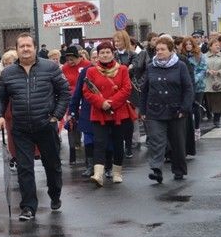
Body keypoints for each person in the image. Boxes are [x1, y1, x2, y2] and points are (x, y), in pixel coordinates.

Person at [0, 33, 70, 221]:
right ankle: (28, 206)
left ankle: (55, 194)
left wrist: (56, 116)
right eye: (22, 46)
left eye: (29, 46)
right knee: (24, 168)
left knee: (51, 165)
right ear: (16, 49)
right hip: (21, 128)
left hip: (46, 125)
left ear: (35, 48)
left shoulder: (50, 68)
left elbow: (64, 92)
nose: (25, 49)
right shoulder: (8, 73)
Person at [139, 35, 193, 183]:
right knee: (157, 141)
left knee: (177, 142)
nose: (159, 52)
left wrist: (185, 108)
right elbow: (144, 90)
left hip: (176, 111)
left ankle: (179, 170)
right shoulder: (151, 67)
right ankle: (156, 169)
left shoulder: (180, 66)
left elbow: (188, 88)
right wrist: (142, 111)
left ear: (171, 50)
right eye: (157, 49)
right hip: (155, 110)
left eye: (163, 49)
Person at [82, 42, 133, 186]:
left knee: (118, 142)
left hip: (118, 111)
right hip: (99, 112)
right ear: (98, 55)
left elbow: (126, 89)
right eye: (102, 53)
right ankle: (98, 174)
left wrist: (111, 102)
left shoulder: (122, 69)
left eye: (107, 52)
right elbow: (87, 91)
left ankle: (117, 172)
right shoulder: (91, 71)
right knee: (99, 143)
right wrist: (101, 103)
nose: (105, 55)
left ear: (113, 53)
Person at [61, 46, 90, 166]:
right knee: (71, 124)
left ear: (78, 57)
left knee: (86, 125)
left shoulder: (87, 65)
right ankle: (72, 154)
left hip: (85, 98)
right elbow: (63, 83)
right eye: (67, 59)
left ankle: (89, 156)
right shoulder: (65, 68)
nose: (69, 61)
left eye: (72, 59)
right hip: (72, 99)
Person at [113, 30, 137, 158]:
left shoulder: (132, 54)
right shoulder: (113, 54)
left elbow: (136, 67)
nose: (117, 43)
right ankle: (119, 144)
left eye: (119, 41)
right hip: (116, 89)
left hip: (130, 89)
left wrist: (129, 68)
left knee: (128, 120)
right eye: (115, 41)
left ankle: (128, 145)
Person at [180, 36, 207, 139]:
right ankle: (188, 129)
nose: (188, 46)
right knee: (187, 108)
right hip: (185, 86)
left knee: (196, 107)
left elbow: (203, 69)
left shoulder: (199, 55)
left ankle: (197, 128)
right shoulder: (181, 56)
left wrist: (193, 80)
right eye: (186, 44)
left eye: (190, 44)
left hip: (198, 86)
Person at [204, 37, 221, 128]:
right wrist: (208, 71)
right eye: (216, 45)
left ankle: (217, 120)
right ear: (210, 46)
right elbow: (201, 67)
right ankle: (211, 114)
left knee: (219, 101)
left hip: (220, 82)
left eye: (218, 45)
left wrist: (219, 72)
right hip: (208, 82)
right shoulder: (204, 56)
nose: (218, 46)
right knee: (210, 102)